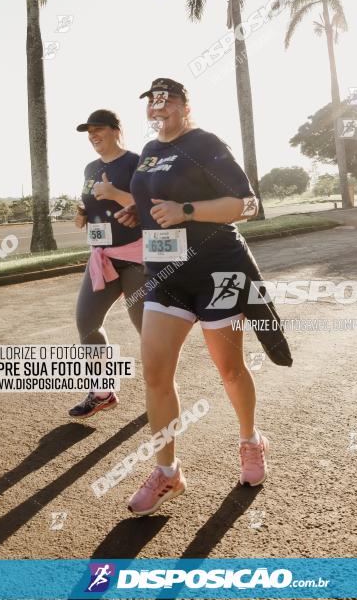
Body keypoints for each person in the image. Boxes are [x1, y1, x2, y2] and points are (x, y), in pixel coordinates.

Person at [115, 78, 269, 516]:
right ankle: (168, 473)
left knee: (231, 370)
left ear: (184, 105)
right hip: (166, 274)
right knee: (155, 374)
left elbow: (247, 204)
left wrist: (187, 211)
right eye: (152, 102)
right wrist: (138, 212)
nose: (158, 108)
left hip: (216, 270)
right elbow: (153, 200)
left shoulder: (204, 144)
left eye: (167, 101)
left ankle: (251, 441)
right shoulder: (148, 152)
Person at [68, 109, 144, 419]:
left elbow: (152, 206)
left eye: (98, 129)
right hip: (103, 256)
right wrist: (82, 212)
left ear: (116, 130)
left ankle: (163, 391)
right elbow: (88, 200)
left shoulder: (136, 162)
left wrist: (114, 193)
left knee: (148, 331)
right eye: (89, 131)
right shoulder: (90, 167)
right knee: (87, 321)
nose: (93, 135)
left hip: (137, 258)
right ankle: (102, 391)